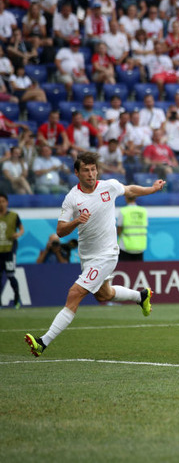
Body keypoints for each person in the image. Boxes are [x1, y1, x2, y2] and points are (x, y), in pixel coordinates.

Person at [25, 152, 164, 357]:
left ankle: (42, 342)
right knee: (103, 294)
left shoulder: (109, 186)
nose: (90, 174)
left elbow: (130, 189)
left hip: (107, 254)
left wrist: (151, 189)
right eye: (85, 170)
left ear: (96, 170)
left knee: (75, 294)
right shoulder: (72, 198)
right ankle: (141, 296)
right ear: (76, 173)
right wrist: (77, 221)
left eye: (93, 169)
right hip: (88, 256)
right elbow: (61, 230)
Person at [0, 193, 23, 308]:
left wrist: (17, 234)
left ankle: (16, 300)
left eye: (3, 201)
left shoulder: (14, 215)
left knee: (10, 275)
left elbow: (21, 229)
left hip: (9, 250)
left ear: (7, 202)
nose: (1, 204)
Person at [117, 193, 148, 261]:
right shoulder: (143, 211)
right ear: (135, 198)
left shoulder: (123, 211)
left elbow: (119, 229)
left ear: (126, 198)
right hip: (140, 246)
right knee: (138, 269)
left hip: (125, 246)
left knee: (125, 269)